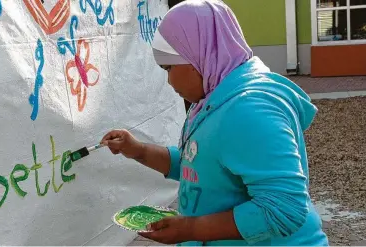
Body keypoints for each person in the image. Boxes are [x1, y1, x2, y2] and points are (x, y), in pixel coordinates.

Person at [100, 0, 329, 245]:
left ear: (198, 55)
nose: (169, 81)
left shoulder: (249, 109)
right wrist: (138, 150)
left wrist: (191, 229)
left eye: (168, 68)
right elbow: (201, 166)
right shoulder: (214, 98)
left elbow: (283, 210)